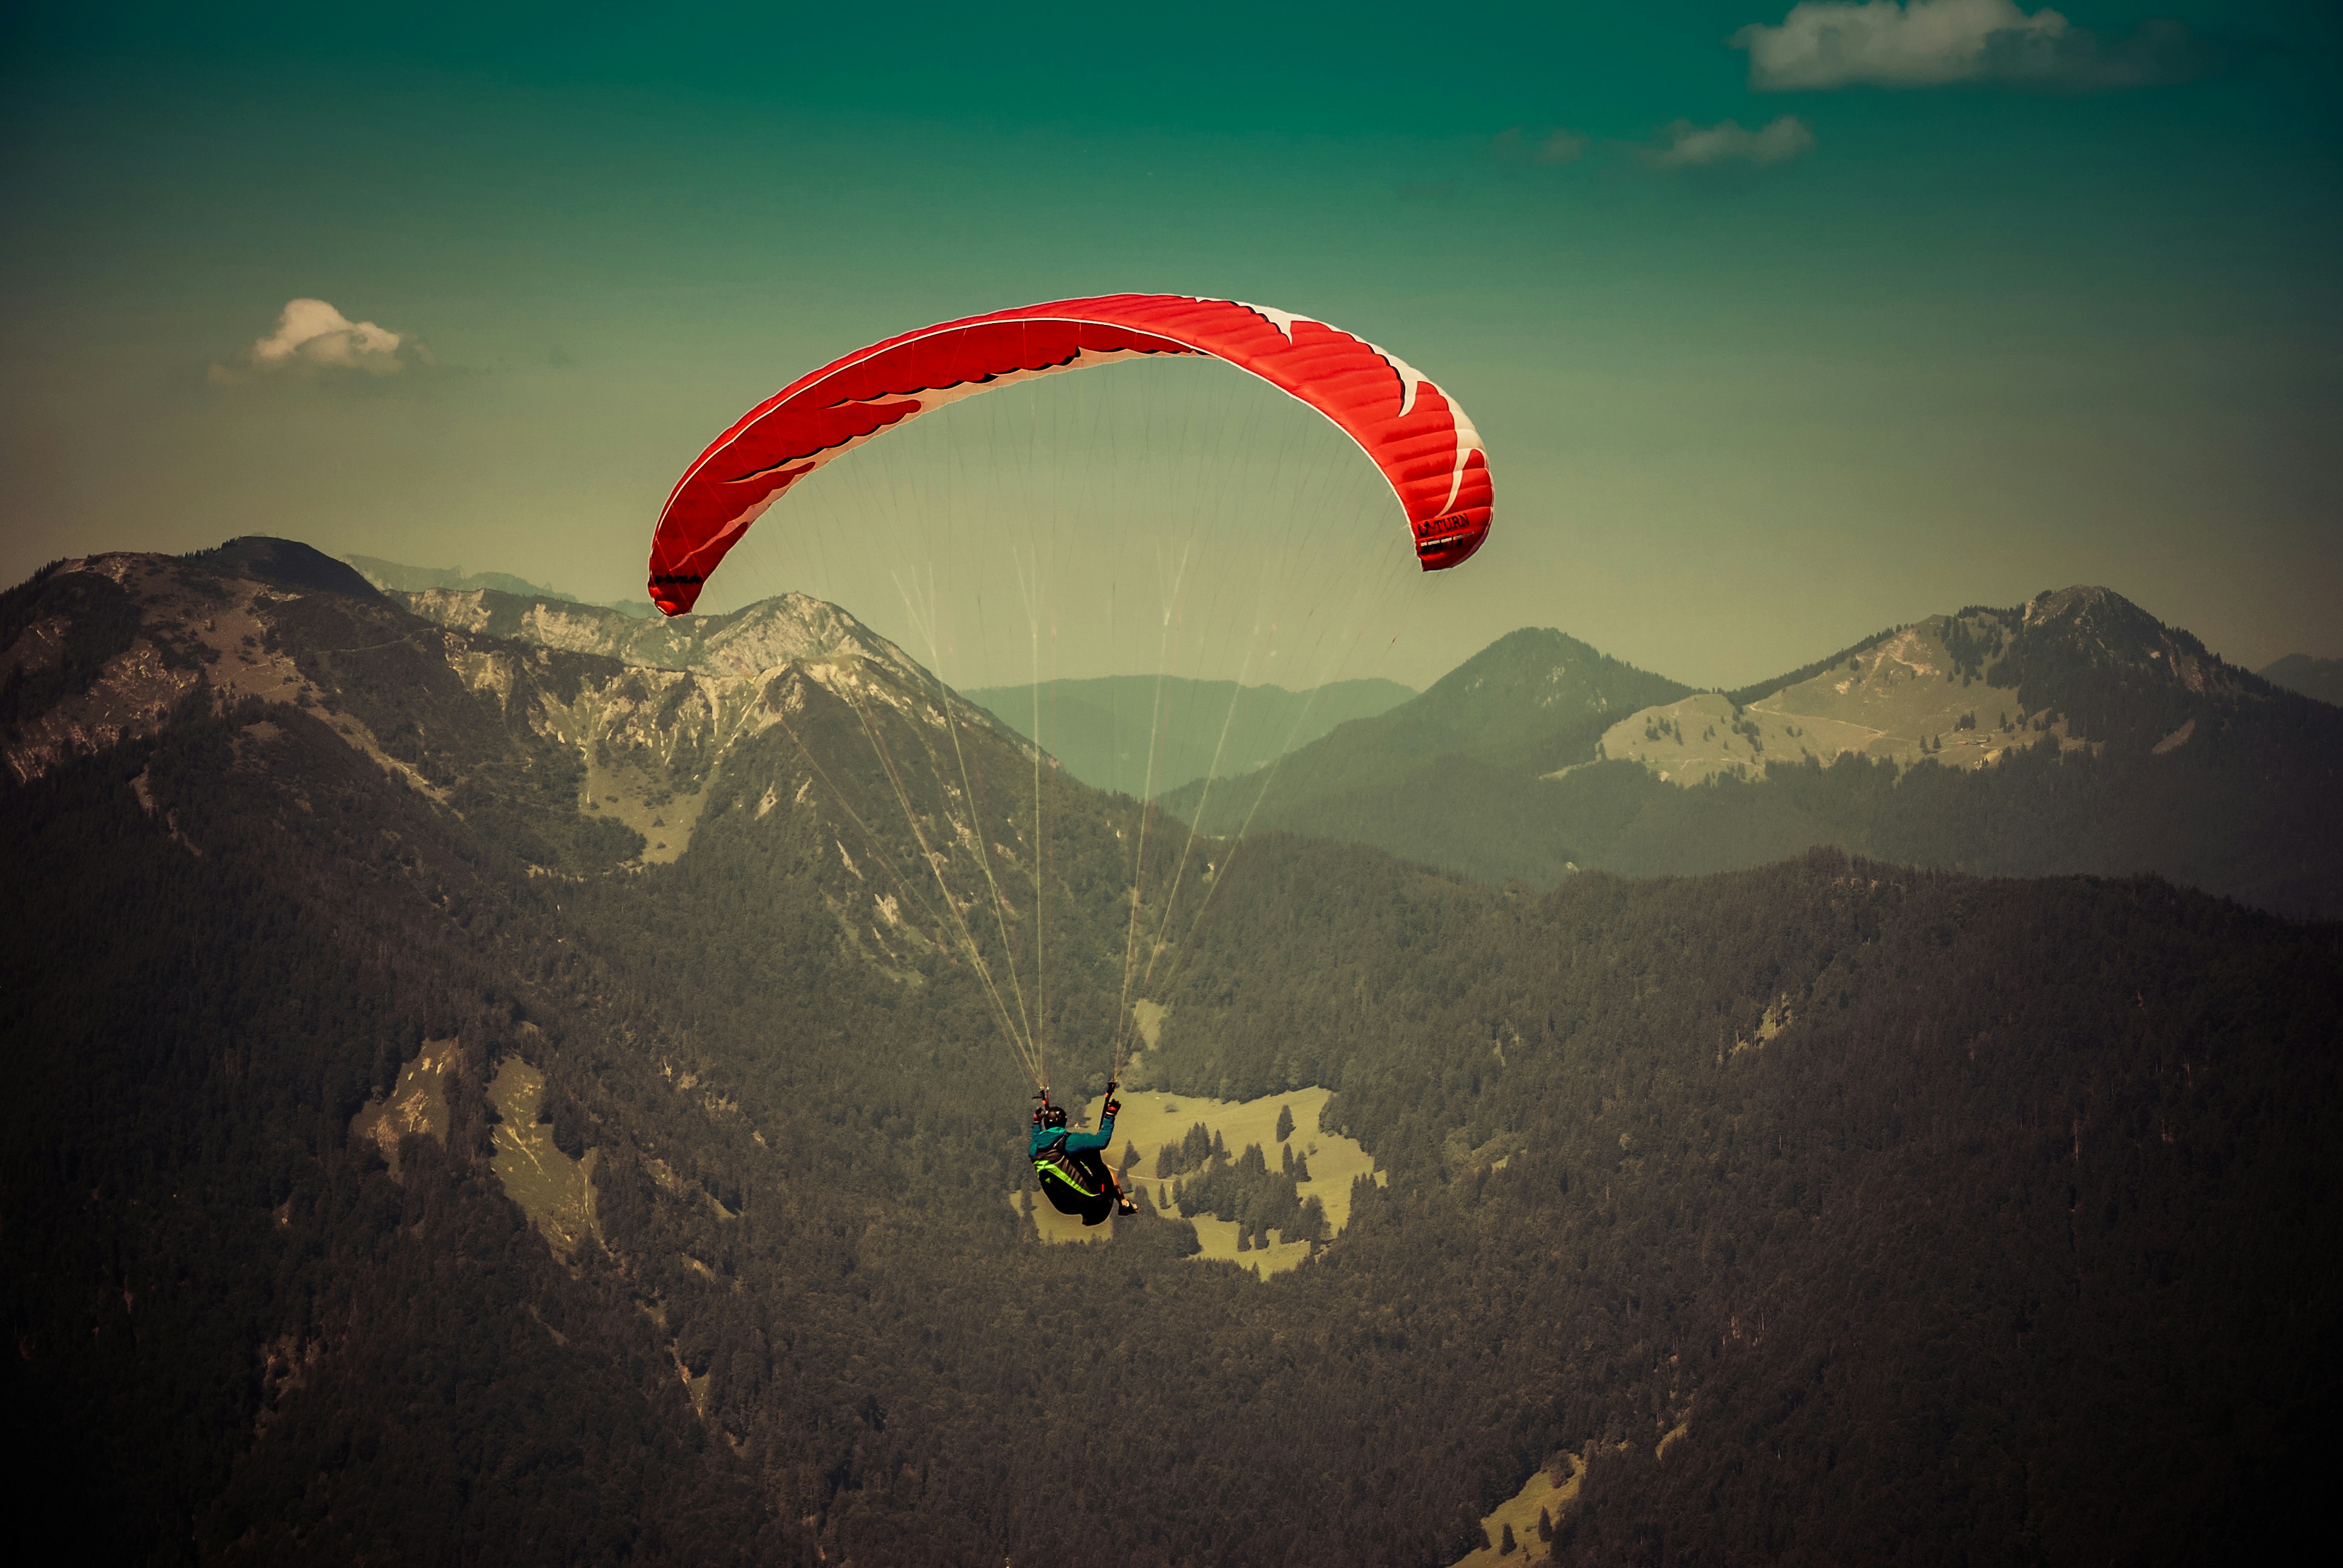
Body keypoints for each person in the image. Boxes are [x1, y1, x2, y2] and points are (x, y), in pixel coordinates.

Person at [1029, 1083, 1139, 1225]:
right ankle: (1123, 1202)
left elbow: (1036, 1137)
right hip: (1093, 1202)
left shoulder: (1035, 1149)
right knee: (1103, 1167)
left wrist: (1036, 1123)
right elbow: (1101, 1141)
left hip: (1064, 1206)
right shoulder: (1070, 1142)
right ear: (1064, 1121)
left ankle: (1121, 1202)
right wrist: (1110, 1115)